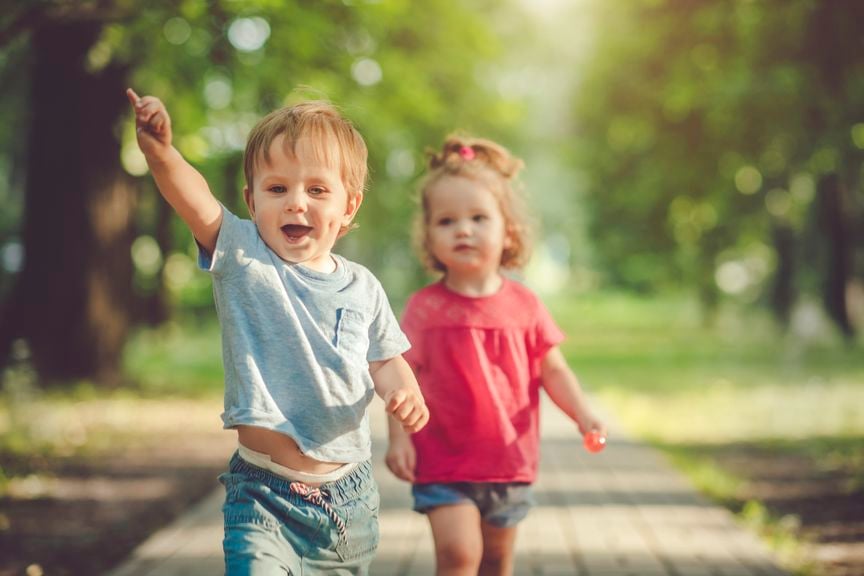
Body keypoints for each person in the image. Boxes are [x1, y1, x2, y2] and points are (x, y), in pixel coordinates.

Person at [127, 88, 429, 575]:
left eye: (316, 190)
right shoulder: (243, 255)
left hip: (346, 505)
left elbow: (385, 359)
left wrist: (403, 390)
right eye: (277, 189)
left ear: (348, 207)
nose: (295, 204)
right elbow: (195, 199)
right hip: (260, 497)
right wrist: (161, 153)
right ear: (251, 199)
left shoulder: (363, 287)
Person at [385, 136, 606, 576]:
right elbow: (400, 376)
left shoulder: (525, 305)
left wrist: (583, 413)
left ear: (509, 231)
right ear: (428, 235)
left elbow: (554, 371)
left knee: (495, 561)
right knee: (458, 556)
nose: (463, 229)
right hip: (442, 460)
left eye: (478, 218)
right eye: (447, 221)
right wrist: (399, 437)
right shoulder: (424, 309)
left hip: (508, 461)